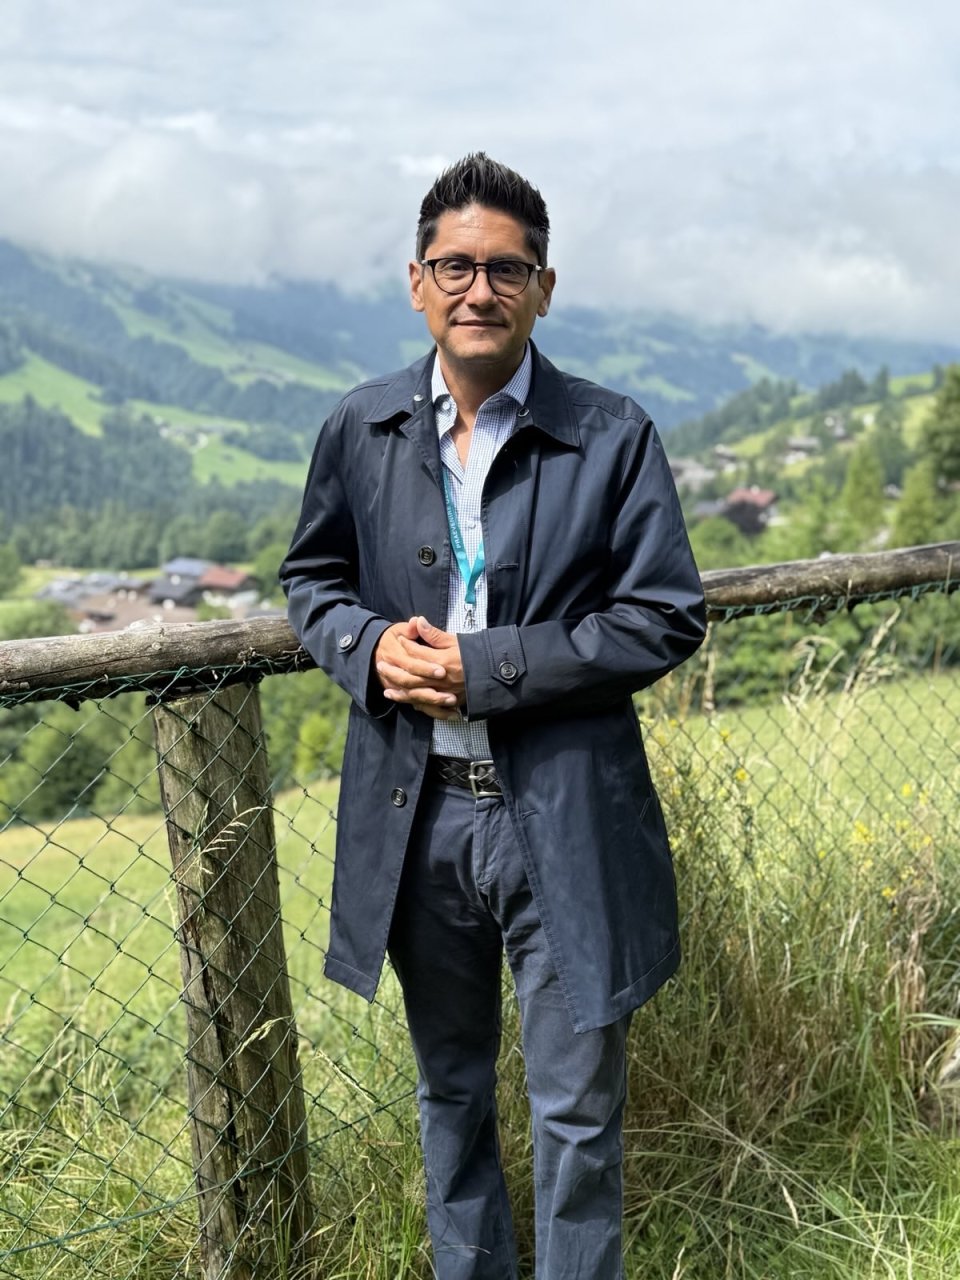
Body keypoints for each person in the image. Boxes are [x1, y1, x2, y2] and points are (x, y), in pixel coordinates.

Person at [280, 153, 705, 1280]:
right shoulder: (359, 426)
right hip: (418, 818)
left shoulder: (613, 435)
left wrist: (488, 668)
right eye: (455, 266)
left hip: (561, 817)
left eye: (505, 268)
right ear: (417, 282)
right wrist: (368, 646)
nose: (481, 289)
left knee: (577, 1116)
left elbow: (663, 616)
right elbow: (311, 580)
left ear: (545, 287)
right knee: (451, 1090)